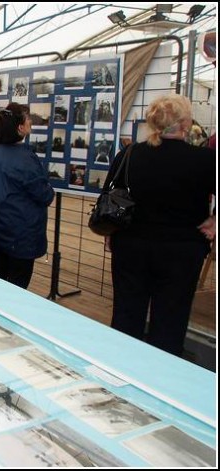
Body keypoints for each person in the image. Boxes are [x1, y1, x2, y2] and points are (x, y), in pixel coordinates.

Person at [105, 94, 215, 357]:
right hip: (181, 251)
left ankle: (119, 372)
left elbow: (111, 198)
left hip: (131, 245)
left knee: (126, 314)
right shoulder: (204, 159)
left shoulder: (129, 155)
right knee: (171, 319)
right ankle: (161, 379)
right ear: (186, 124)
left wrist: (111, 232)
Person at [0, 103, 54, 289]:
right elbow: (43, 194)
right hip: (21, 232)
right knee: (16, 289)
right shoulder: (25, 158)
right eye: (28, 119)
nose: (31, 121)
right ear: (20, 127)